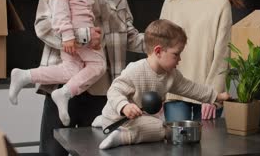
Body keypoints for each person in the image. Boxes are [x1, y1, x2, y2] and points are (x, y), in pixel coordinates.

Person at [34, 0, 145, 156]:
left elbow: (130, 38)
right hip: (63, 88)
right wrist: (81, 38)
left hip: (101, 95)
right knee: (52, 152)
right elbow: (43, 26)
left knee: (96, 153)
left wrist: (161, 43)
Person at [91, 19, 231, 150]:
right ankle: (121, 136)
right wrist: (125, 106)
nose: (179, 59)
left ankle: (104, 121)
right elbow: (114, 91)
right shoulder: (135, 70)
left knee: (153, 121)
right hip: (119, 118)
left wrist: (216, 96)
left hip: (138, 119)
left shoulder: (171, 75)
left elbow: (191, 88)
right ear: (158, 51)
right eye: (176, 54)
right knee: (163, 129)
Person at [161, 0, 244, 121]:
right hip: (175, 93)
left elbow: (222, 54)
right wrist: (159, 89)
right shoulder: (171, 2)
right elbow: (160, 49)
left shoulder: (220, 3)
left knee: (209, 148)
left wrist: (212, 95)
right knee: (176, 148)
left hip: (207, 94)